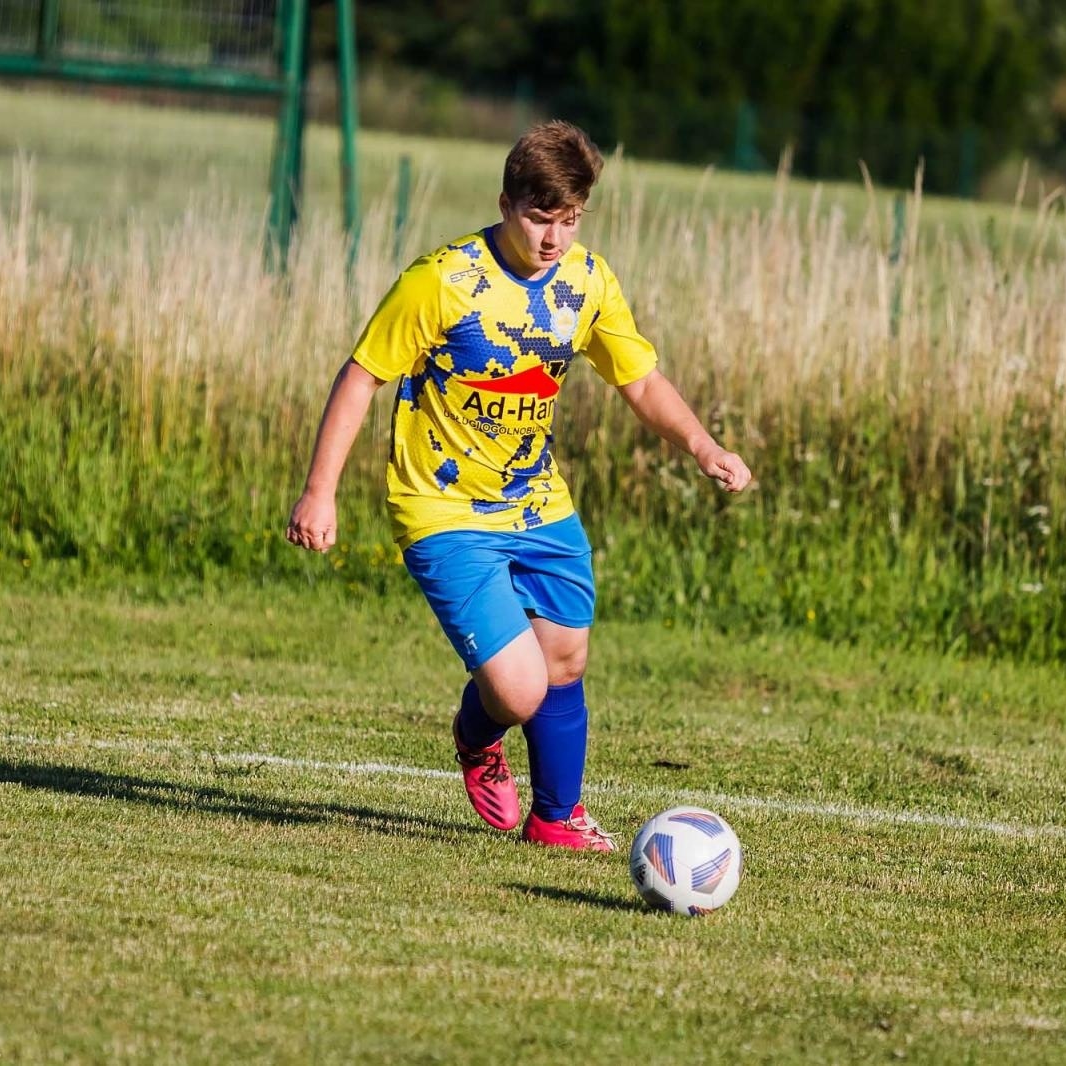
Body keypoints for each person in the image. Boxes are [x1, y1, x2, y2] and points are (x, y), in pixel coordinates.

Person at [286, 120, 752, 851]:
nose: (554, 239)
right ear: (506, 203)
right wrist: (321, 490)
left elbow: (639, 380)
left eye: (569, 220)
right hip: (441, 506)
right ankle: (478, 739)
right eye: (540, 217)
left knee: (566, 658)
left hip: (537, 501)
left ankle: (557, 819)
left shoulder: (587, 282)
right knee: (519, 688)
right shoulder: (442, 282)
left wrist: (701, 443)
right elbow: (361, 375)